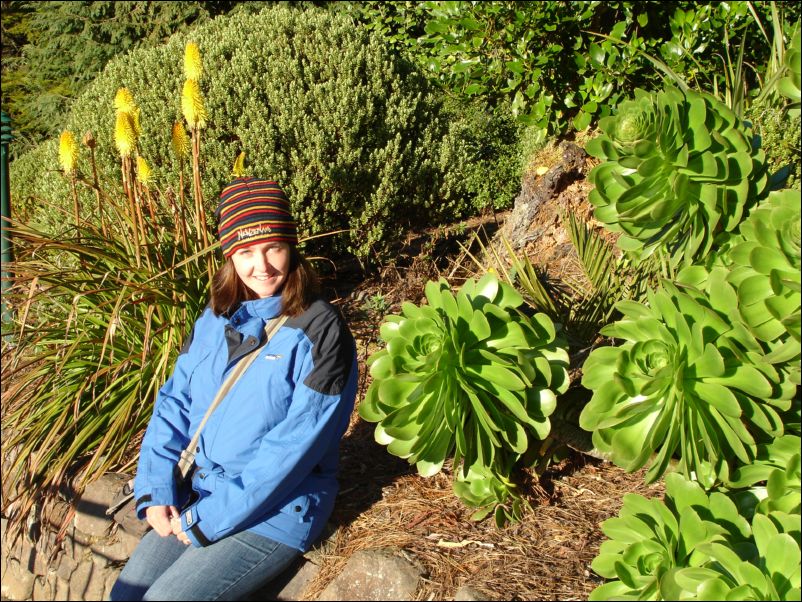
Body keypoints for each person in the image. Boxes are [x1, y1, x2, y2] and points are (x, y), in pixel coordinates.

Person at [110, 177, 358, 601]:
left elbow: (291, 451)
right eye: (245, 252)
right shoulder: (214, 317)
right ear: (230, 256)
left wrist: (205, 519)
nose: (261, 266)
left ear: (291, 247)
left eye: (273, 248)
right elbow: (174, 403)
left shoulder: (320, 330)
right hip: (202, 490)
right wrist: (158, 489)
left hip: (276, 510)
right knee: (125, 596)